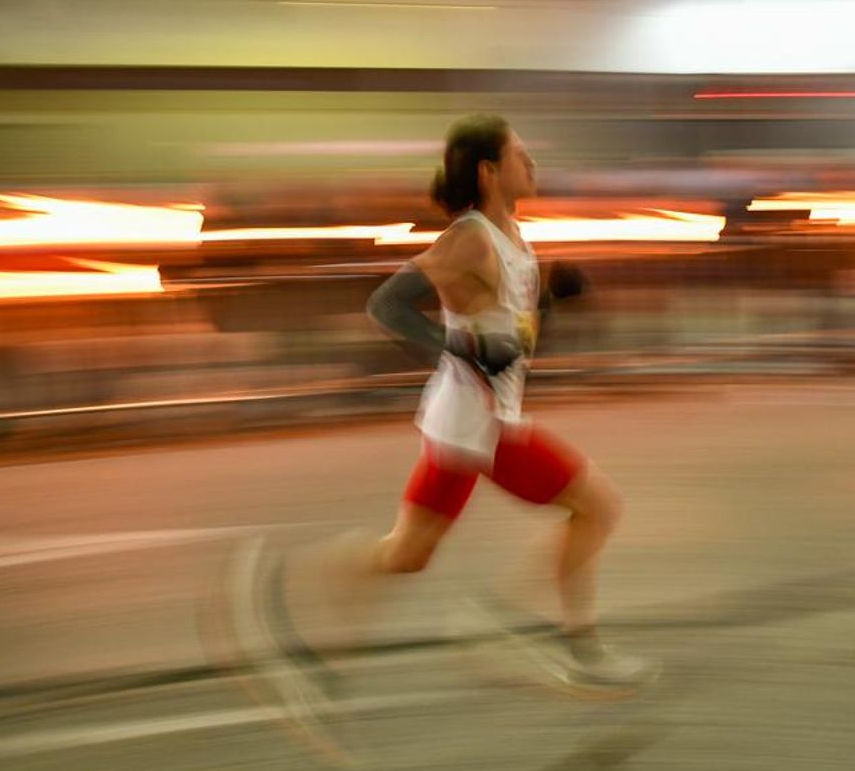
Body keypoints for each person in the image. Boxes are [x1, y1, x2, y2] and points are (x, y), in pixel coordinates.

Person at [231, 114, 657, 706]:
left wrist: (552, 299)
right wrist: (457, 349)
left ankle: (279, 600)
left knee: (406, 554)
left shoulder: (511, 236)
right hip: (482, 422)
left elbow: (511, 341)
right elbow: (387, 305)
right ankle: (555, 640)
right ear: (489, 171)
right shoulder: (472, 237)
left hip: (464, 422)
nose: (531, 162)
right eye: (519, 153)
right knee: (598, 508)